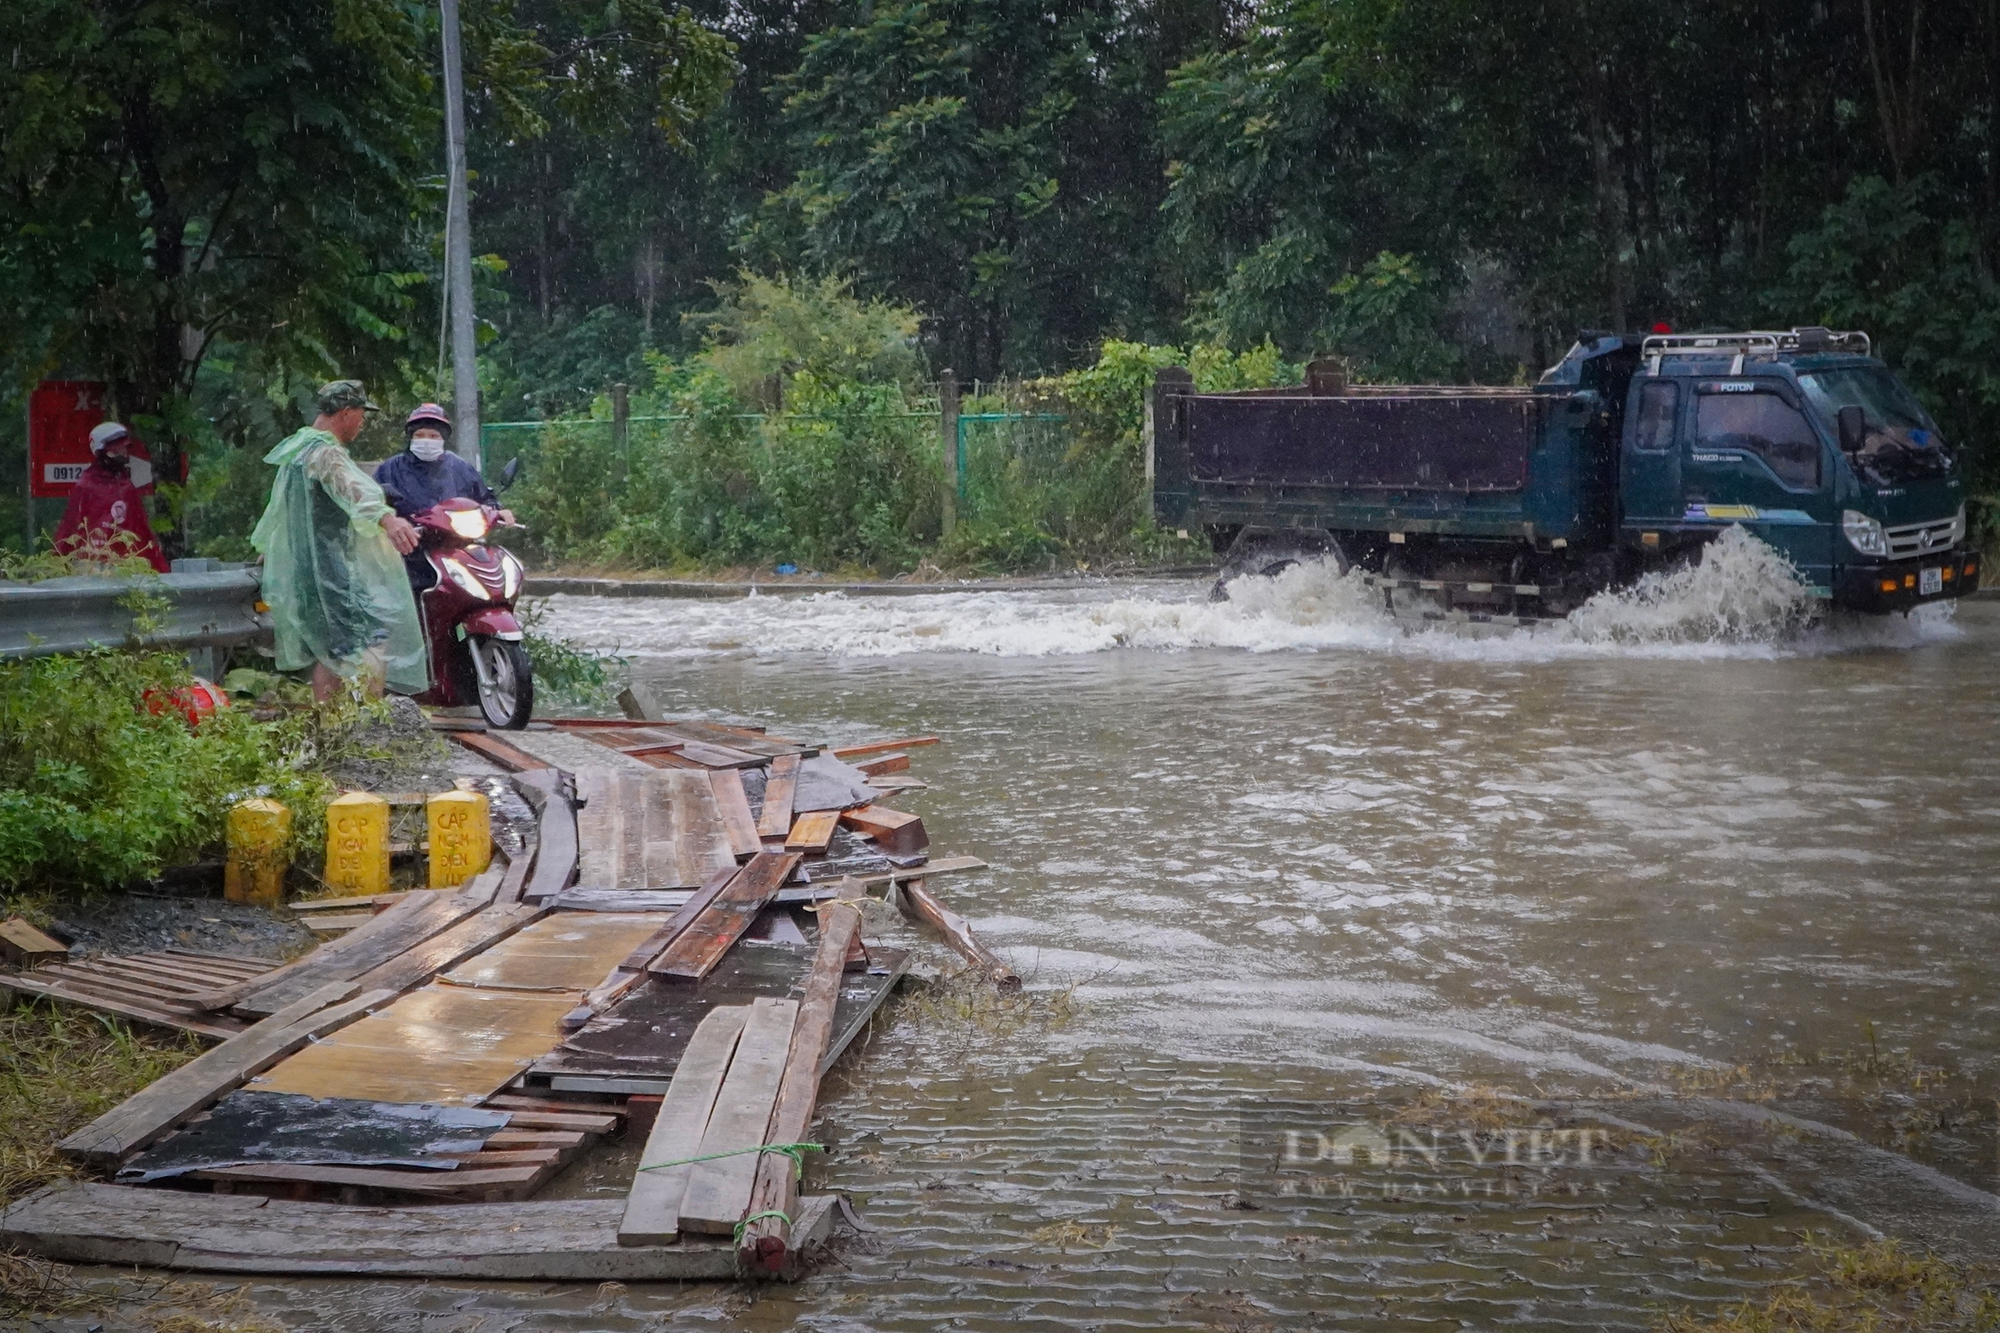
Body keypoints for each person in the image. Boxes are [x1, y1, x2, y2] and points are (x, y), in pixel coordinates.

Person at [250, 381, 428, 702]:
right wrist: (386, 518)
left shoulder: (298, 450)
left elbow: (278, 511)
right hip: (330, 570)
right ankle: (368, 723)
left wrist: (268, 551)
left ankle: (330, 731)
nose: (362, 424)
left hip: (306, 570)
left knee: (330, 651)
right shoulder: (326, 452)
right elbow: (351, 488)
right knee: (372, 640)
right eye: (361, 415)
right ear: (346, 413)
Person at [373, 403, 512, 589]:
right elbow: (372, 503)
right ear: (410, 437)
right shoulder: (389, 469)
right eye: (420, 435)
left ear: (443, 439)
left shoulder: (460, 468)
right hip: (407, 557)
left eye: (433, 436)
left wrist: (497, 511)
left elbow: (484, 499)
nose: (426, 441)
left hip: (457, 552)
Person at [52, 421, 169, 572]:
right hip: (91, 565)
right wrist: (56, 564)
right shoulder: (86, 486)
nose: (124, 453)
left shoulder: (126, 487)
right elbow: (69, 528)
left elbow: (142, 532)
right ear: (103, 451)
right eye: (117, 449)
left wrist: (159, 568)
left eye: (124, 448)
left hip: (124, 564)